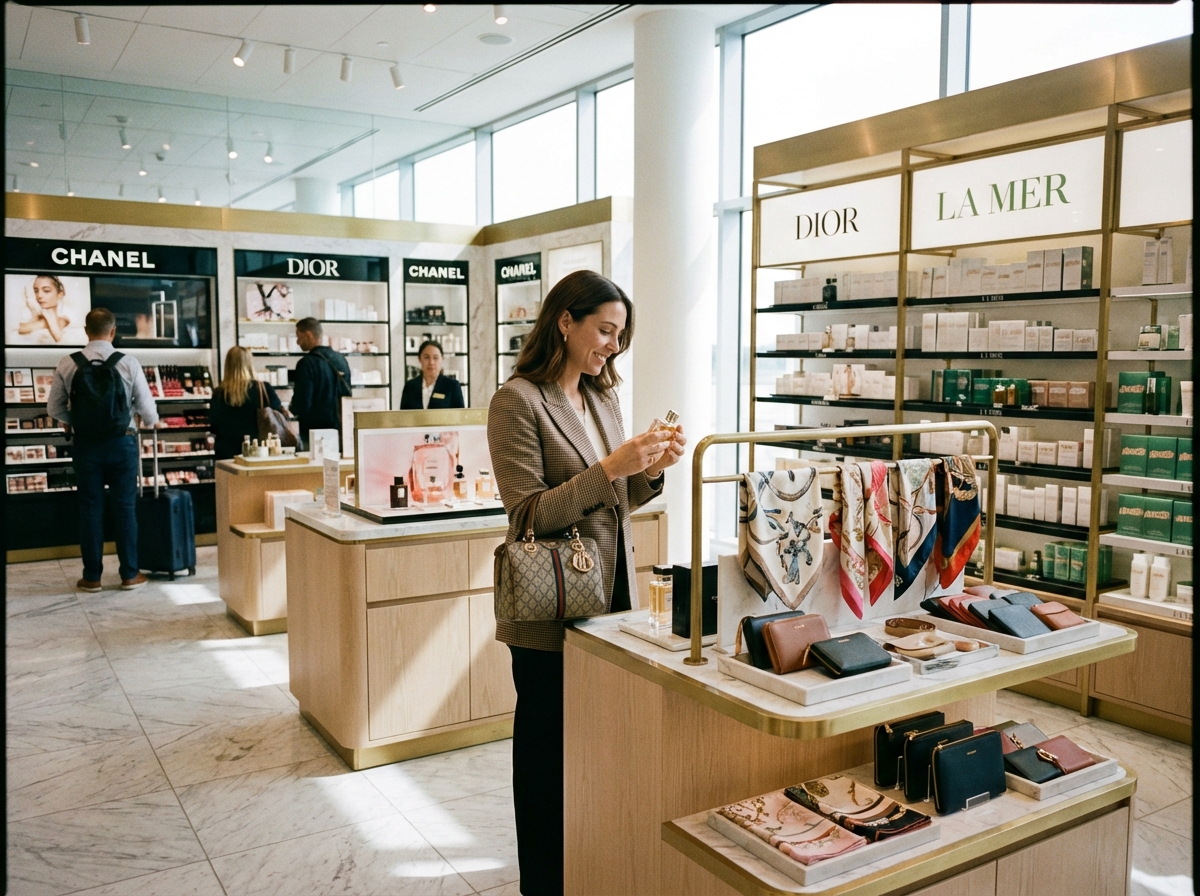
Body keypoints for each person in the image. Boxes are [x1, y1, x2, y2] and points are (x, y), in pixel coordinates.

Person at [487, 270, 686, 895]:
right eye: (604, 330)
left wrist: (651, 468)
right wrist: (612, 467)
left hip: (610, 602)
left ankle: (589, 864)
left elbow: (617, 498)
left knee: (599, 750)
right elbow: (526, 516)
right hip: (551, 611)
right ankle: (543, 881)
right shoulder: (516, 400)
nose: (613, 346)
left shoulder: (603, 397)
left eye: (620, 334)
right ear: (564, 322)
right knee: (546, 757)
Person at [47, 307, 160, 592]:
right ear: (113, 332)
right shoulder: (128, 362)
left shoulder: (67, 363)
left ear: (86, 331)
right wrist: (151, 421)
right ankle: (130, 575)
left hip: (86, 446)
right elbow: (148, 410)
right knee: (124, 509)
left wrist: (73, 422)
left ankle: (92, 577)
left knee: (90, 510)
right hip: (122, 444)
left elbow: (54, 408)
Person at [208, 346, 284, 459]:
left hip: (226, 453)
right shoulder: (263, 389)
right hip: (258, 451)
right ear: (250, 364)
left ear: (227, 365)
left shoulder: (219, 393)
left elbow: (213, 424)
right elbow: (277, 416)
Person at [288, 317, 351, 450]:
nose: (298, 342)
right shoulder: (341, 360)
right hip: (340, 431)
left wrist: (291, 408)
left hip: (314, 433)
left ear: (308, 335)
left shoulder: (306, 363)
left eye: (299, 336)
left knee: (314, 469)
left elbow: (302, 404)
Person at [399, 339, 465, 410]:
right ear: (419, 359)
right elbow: (404, 417)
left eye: (435, 358)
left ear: (442, 359)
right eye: (426, 357)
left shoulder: (452, 386)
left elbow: (460, 417)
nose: (431, 362)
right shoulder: (410, 387)